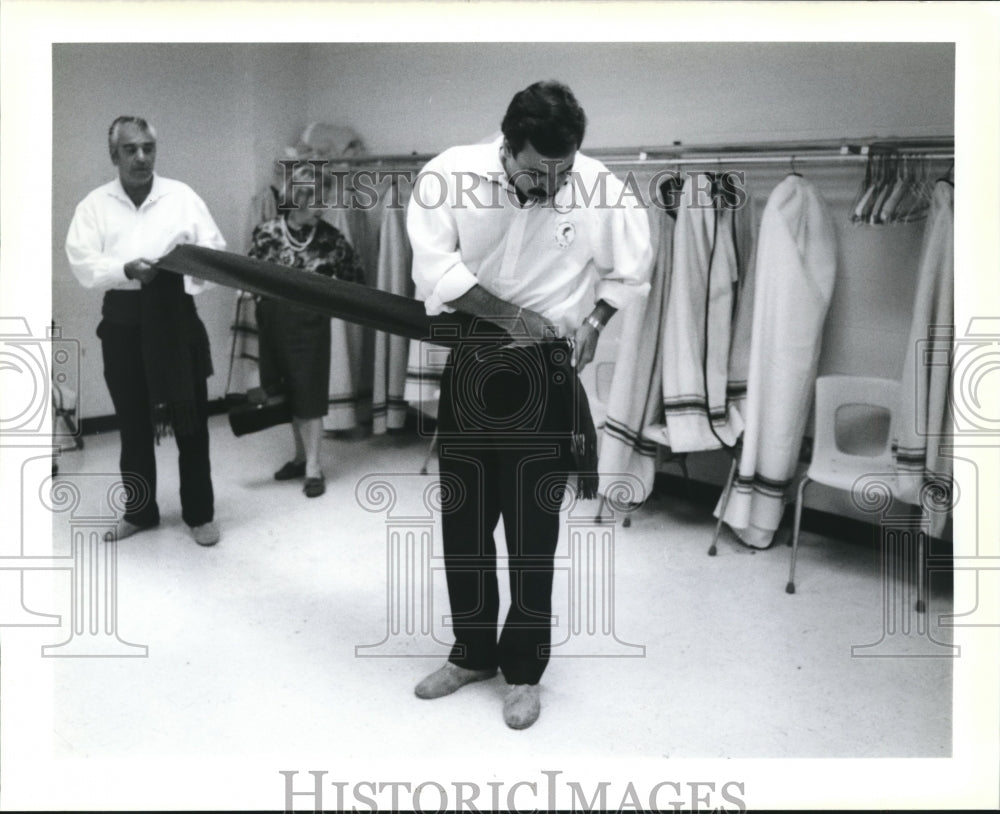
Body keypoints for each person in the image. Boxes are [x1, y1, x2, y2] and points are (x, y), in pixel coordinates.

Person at [406, 80, 653, 729]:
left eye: (562, 170)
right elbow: (434, 273)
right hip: (472, 356)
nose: (550, 184)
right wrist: (511, 317)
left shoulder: (597, 185)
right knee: (463, 524)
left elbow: (631, 269)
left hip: (545, 372)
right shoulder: (448, 176)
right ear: (505, 145)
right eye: (536, 171)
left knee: (531, 532)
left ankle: (522, 671)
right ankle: (470, 654)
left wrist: (594, 324)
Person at [66, 115, 226, 546]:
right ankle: (140, 512)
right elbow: (82, 263)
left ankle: (200, 514)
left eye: (148, 148)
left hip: (176, 320)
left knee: (191, 422)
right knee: (134, 425)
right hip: (122, 323)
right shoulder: (94, 205)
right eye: (130, 149)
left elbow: (214, 252)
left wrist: (181, 274)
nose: (141, 157)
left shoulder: (182, 197)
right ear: (113, 154)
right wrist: (125, 269)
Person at [248, 163, 366, 497]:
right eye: (319, 196)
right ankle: (300, 456)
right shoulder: (267, 232)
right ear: (298, 197)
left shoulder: (331, 239)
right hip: (273, 323)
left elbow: (356, 281)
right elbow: (249, 275)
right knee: (286, 392)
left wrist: (327, 296)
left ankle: (314, 466)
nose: (325, 203)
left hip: (310, 327)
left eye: (325, 195)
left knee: (309, 395)